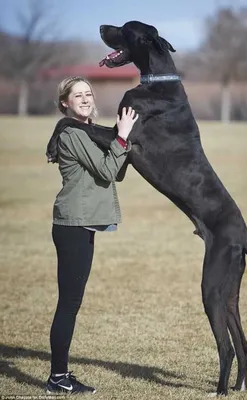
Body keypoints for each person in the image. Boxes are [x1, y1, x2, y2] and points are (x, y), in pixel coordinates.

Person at [45, 76, 138, 395]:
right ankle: (58, 379)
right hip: (73, 224)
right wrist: (122, 137)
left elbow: (117, 168)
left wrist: (119, 139)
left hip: (82, 222)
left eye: (88, 93)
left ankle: (60, 375)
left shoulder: (88, 131)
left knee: (72, 301)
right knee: (68, 303)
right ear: (65, 104)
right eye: (77, 95)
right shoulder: (72, 132)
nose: (85, 98)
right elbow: (108, 170)